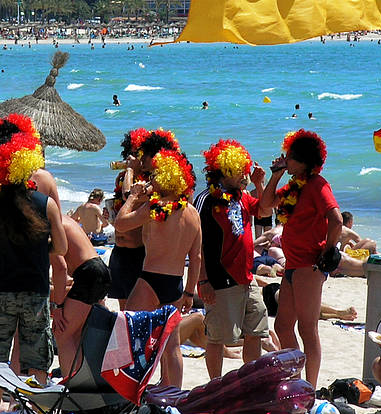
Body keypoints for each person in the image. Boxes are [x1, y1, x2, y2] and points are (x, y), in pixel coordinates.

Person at [0, 120, 67, 414]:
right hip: (36, 291)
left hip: (1, 288)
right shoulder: (46, 203)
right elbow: (62, 247)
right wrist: (38, 250)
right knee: (37, 356)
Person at [259, 130, 341, 387]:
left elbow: (336, 219)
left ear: (306, 162)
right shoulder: (294, 186)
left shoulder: (318, 185)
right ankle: (296, 380)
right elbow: (265, 204)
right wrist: (276, 174)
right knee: (283, 327)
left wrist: (328, 250)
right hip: (292, 265)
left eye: (292, 158)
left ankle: (311, 387)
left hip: (309, 265)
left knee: (307, 329)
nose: (287, 159)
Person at [114, 144, 201, 387]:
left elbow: (120, 224)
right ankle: (173, 392)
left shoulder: (155, 209)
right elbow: (196, 259)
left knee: (128, 333)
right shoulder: (192, 213)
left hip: (150, 279)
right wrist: (189, 293)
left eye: (154, 176)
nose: (151, 179)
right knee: (172, 346)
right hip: (175, 284)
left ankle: (127, 387)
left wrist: (132, 196)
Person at [194, 139, 270, 378]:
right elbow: (197, 243)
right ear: (224, 171)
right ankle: (215, 383)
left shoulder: (243, 196)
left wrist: (261, 183)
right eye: (239, 170)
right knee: (217, 337)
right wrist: (202, 279)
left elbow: (265, 210)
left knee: (255, 331)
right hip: (219, 279)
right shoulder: (207, 199)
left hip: (248, 278)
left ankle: (250, 381)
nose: (244, 174)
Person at [107, 128, 163, 311]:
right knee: (123, 309)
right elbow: (122, 205)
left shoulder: (150, 183)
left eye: (137, 154)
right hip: (118, 251)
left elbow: (128, 196)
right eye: (130, 153)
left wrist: (130, 170)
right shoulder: (124, 178)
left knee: (136, 310)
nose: (132, 157)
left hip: (137, 253)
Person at [50, 213, 111, 374]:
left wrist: (58, 306)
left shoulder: (50, 223)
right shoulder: (66, 219)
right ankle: (78, 377)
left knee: (62, 333)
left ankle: (70, 385)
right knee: (77, 333)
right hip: (99, 270)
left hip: (89, 274)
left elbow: (60, 268)